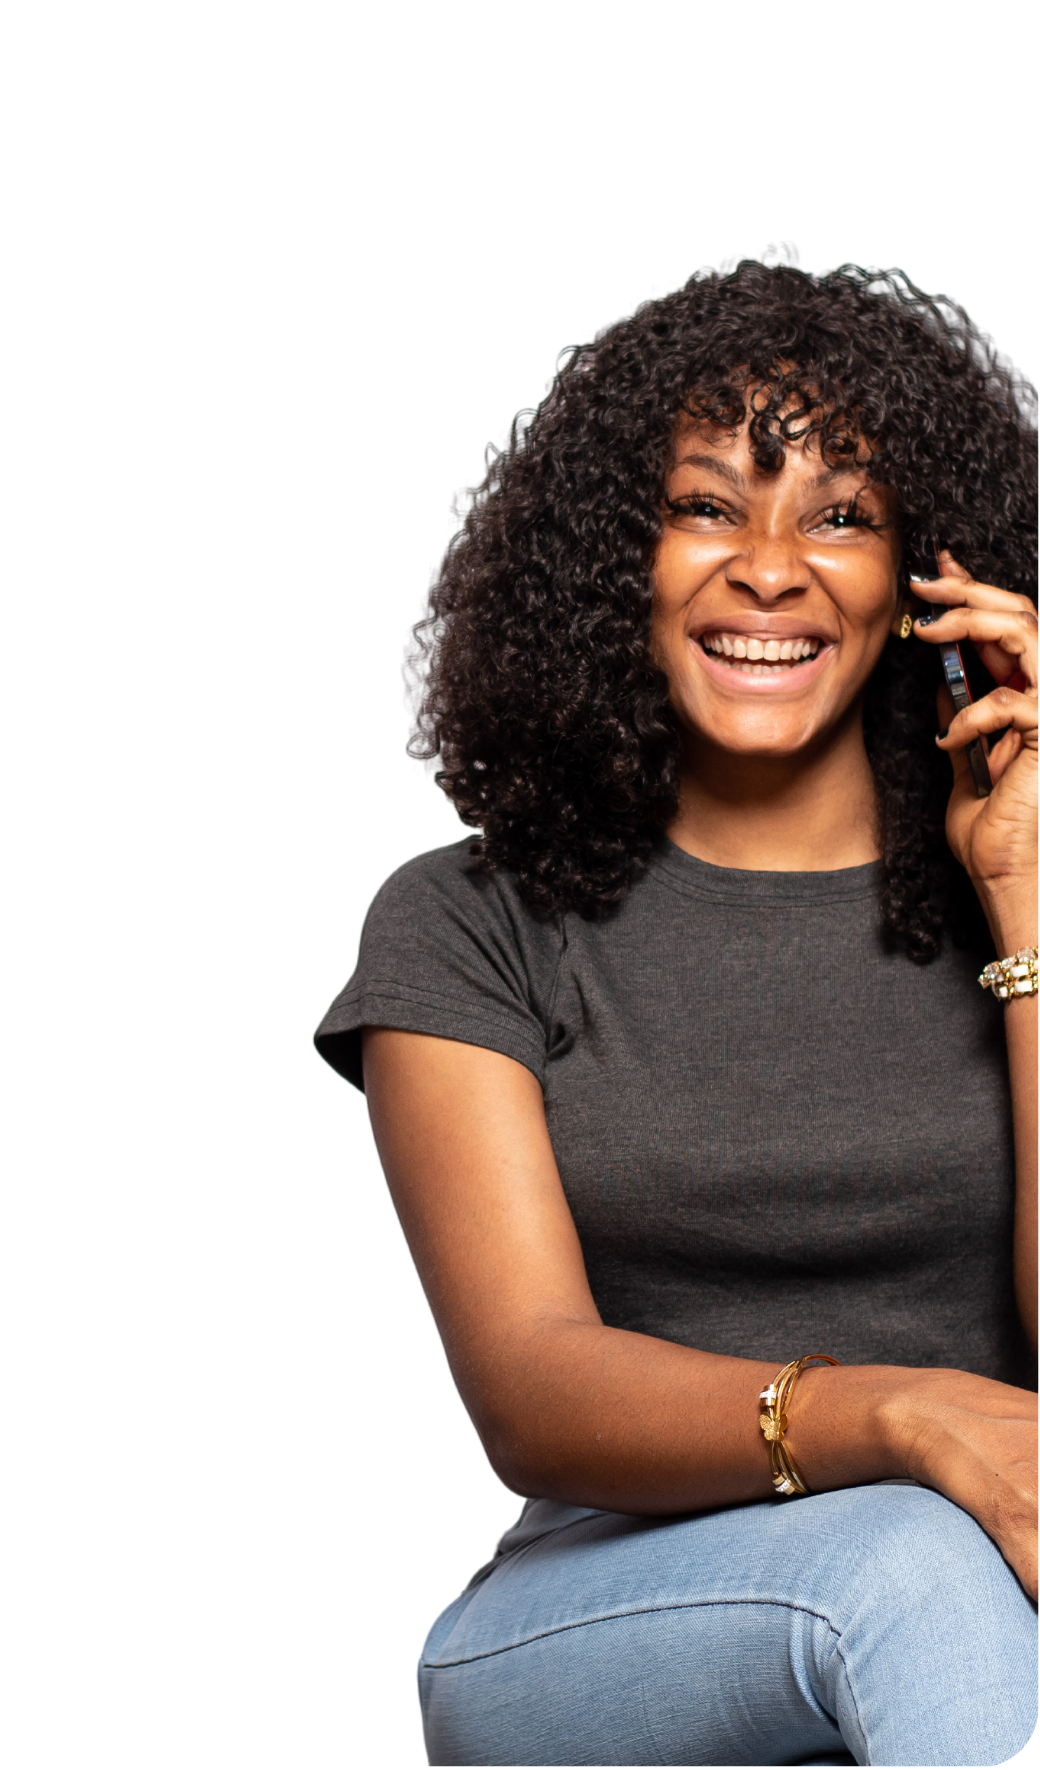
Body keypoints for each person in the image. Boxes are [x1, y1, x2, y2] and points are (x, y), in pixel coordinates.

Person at [309, 259, 1038, 1768]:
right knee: (914, 1564)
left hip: (993, 1580)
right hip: (601, 1604)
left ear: (926, 576)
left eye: (840, 515)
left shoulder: (1023, 891)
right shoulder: (469, 917)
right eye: (708, 506)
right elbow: (534, 1389)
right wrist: (910, 1419)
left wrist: (1028, 901)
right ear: (614, 556)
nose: (770, 570)